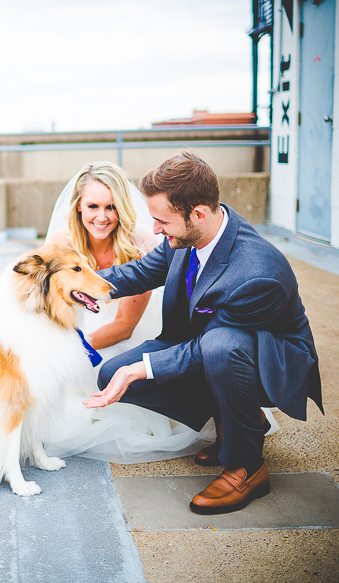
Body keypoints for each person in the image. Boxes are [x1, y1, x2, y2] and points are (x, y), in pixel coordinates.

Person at [84, 151, 323, 514]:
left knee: (219, 349)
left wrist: (139, 368)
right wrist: (76, 283)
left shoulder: (257, 271)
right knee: (109, 375)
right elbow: (138, 273)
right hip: (205, 344)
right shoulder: (187, 235)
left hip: (267, 361)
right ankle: (236, 418)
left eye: (161, 221)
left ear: (197, 213)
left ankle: (247, 465)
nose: (156, 231)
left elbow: (210, 347)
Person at [42, 161, 213, 463]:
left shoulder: (140, 245)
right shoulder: (61, 244)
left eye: (111, 207)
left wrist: (74, 347)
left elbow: (124, 326)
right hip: (75, 329)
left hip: (120, 335)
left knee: (108, 372)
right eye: (93, 206)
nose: (102, 217)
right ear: (78, 207)